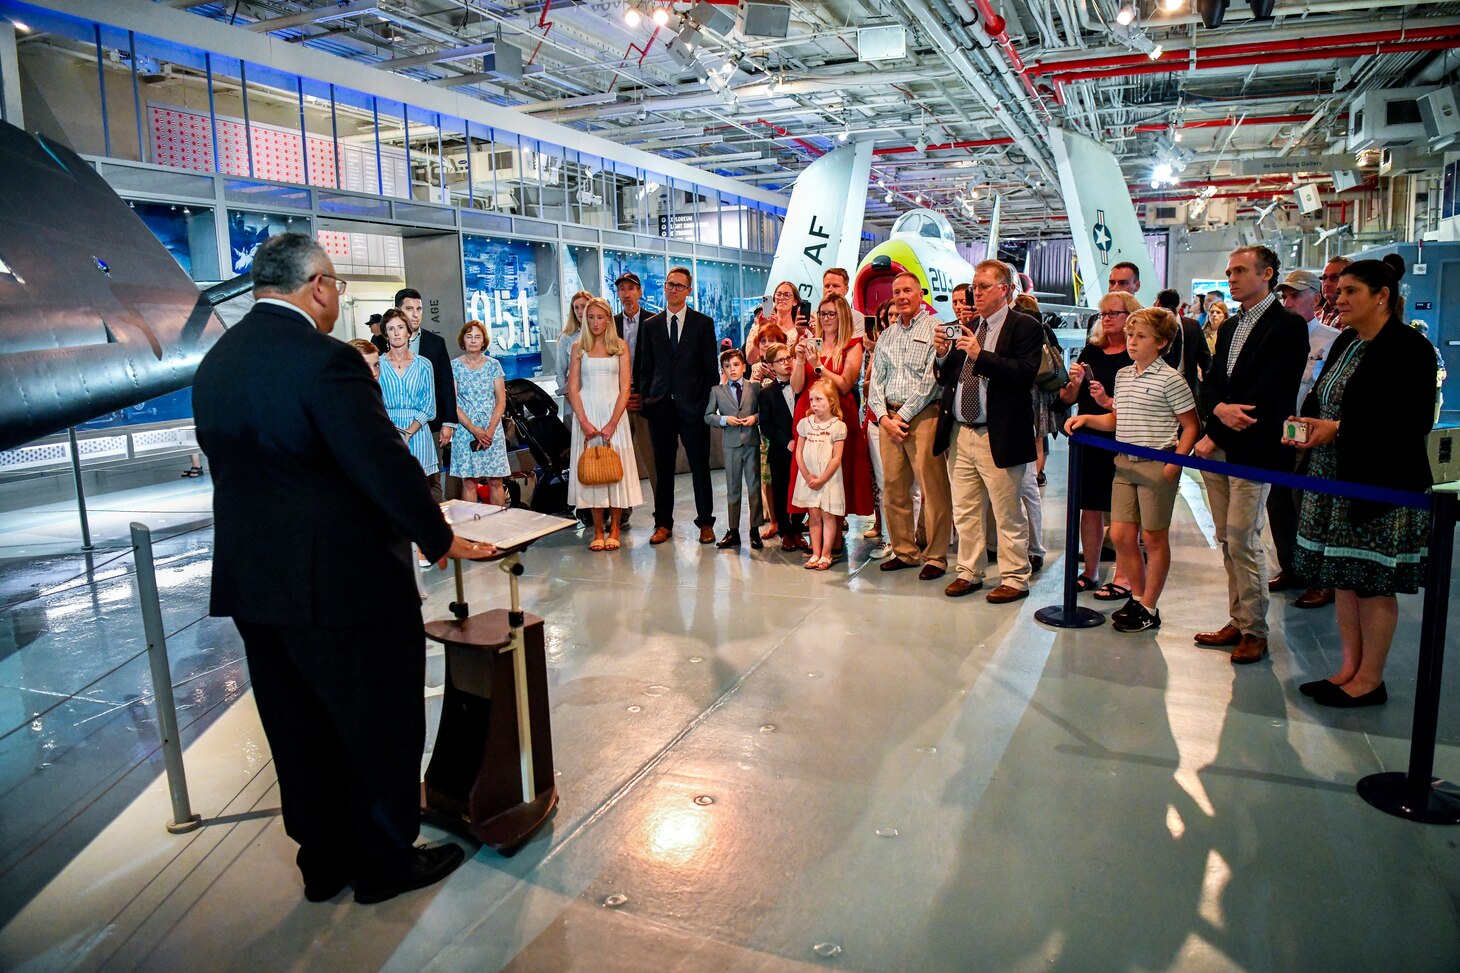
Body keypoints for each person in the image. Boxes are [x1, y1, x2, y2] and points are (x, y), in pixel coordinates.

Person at [193, 233, 495, 905]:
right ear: (319, 285)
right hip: (342, 585)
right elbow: (379, 461)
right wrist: (438, 535)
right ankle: (384, 859)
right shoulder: (326, 362)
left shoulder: (217, 361)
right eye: (335, 287)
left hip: (255, 586)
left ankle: (322, 860)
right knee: (375, 719)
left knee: (295, 727)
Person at [1287, 255, 1435, 707]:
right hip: (1333, 476)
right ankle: (1348, 668)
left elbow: (1411, 423)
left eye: (1350, 291)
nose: (1338, 297)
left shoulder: (1409, 348)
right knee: (1345, 578)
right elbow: (1322, 392)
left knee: (1372, 583)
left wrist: (1338, 431)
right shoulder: (1349, 340)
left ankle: (1370, 679)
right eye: (1338, 288)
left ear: (1382, 296)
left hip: (1378, 484)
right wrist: (1306, 421)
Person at [1193, 245, 1310, 664]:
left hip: (1254, 448)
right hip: (1222, 443)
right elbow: (1212, 382)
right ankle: (1239, 619)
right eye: (1229, 271)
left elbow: (1272, 390)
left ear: (1268, 274)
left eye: (1240, 270)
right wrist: (1218, 412)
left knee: (1244, 538)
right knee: (1227, 539)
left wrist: (1218, 424)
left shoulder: (1289, 326)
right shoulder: (1229, 327)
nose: (1231, 278)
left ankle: (1256, 631)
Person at [1066, 308, 1200, 633]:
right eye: (1130, 336)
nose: (1132, 342)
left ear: (1162, 342)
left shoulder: (1171, 379)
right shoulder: (1124, 375)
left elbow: (1191, 426)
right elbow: (1117, 419)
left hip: (1157, 464)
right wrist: (1087, 419)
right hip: (1124, 464)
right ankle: (1139, 599)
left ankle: (1150, 603)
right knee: (1121, 534)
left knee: (1154, 537)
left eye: (1141, 337)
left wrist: (1174, 464)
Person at [932, 260, 1044, 602]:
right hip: (961, 431)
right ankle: (969, 570)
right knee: (965, 509)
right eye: (973, 287)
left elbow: (1024, 374)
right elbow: (948, 378)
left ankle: (1014, 576)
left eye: (983, 287)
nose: (974, 293)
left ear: (1005, 290)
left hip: (999, 432)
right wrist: (941, 356)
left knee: (1007, 511)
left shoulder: (1024, 326)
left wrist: (981, 356)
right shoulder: (968, 326)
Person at [867, 272, 952, 580]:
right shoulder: (887, 335)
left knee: (933, 488)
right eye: (897, 292)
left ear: (920, 294)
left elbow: (932, 380)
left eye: (907, 291)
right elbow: (875, 380)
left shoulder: (935, 330)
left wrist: (902, 415)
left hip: (923, 416)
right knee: (894, 488)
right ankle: (904, 550)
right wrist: (884, 417)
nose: (901, 296)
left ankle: (937, 555)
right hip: (889, 421)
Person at [1268, 269, 1342, 608]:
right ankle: (1291, 567)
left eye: (1295, 295)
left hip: (1314, 434)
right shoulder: (1278, 335)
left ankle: (1320, 579)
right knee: (1279, 503)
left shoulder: (1333, 339)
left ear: (1316, 297)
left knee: (1310, 507)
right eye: (1285, 296)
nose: (1288, 302)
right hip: (1280, 431)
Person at [1058, 291, 1139, 599]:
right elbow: (1067, 399)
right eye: (1102, 314)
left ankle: (1123, 575)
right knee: (1089, 507)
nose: (1105, 319)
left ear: (1129, 315)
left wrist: (1108, 401)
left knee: (1121, 511)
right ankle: (1090, 571)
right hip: (1089, 437)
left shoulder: (1135, 354)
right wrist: (1075, 383)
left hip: (1124, 438)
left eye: (1112, 314)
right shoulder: (1092, 351)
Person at [638, 266, 719, 545]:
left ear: (689, 291)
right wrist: (647, 399)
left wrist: (707, 405)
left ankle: (706, 523)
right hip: (660, 407)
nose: (673, 289)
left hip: (693, 408)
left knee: (699, 467)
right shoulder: (650, 325)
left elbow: (711, 371)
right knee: (663, 469)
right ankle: (662, 524)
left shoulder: (703, 324)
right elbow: (644, 367)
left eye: (679, 286)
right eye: (669, 284)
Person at [789, 296, 872, 552]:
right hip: (809, 412)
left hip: (838, 414)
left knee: (836, 474)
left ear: (843, 316)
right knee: (810, 470)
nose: (826, 319)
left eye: (831, 314)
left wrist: (818, 366)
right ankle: (818, 541)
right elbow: (796, 386)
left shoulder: (852, 345)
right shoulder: (809, 344)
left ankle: (833, 541)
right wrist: (801, 360)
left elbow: (846, 383)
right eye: (822, 314)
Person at [567, 296, 643, 551]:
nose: (595, 322)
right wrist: (584, 421)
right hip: (587, 413)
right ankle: (598, 531)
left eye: (600, 317)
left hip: (614, 414)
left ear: (608, 319)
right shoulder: (578, 347)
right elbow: (573, 388)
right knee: (593, 472)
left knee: (614, 471)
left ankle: (615, 529)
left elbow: (624, 388)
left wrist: (612, 422)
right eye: (591, 317)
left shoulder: (620, 346)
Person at [395, 288, 456, 502]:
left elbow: (446, 384)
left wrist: (449, 422)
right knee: (399, 478)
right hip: (396, 424)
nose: (415, 314)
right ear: (398, 310)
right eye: (409, 308)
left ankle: (437, 528)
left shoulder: (434, 343)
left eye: (419, 309)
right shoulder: (383, 343)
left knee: (432, 478)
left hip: (431, 422)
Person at [704, 348, 764, 550]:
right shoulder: (717, 391)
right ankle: (733, 530)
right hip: (730, 445)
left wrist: (755, 418)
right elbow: (708, 415)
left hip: (751, 443)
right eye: (728, 366)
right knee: (733, 489)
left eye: (736, 365)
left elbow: (764, 412)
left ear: (744, 367)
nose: (733, 370)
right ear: (723, 370)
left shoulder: (754, 388)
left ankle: (755, 530)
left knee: (754, 487)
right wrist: (724, 419)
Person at [450, 320, 509, 506]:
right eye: (469, 336)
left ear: (483, 341)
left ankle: (498, 529)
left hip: (492, 430)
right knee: (469, 481)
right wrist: (474, 429)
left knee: (495, 480)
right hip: (466, 430)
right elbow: (453, 402)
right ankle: (473, 530)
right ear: (463, 340)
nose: (473, 340)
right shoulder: (454, 366)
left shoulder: (494, 365)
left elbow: (501, 400)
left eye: (477, 336)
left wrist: (490, 430)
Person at [792, 377, 848, 570]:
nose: (814, 404)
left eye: (819, 400)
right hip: (809, 479)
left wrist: (822, 479)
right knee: (813, 515)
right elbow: (799, 452)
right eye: (812, 400)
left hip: (828, 479)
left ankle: (826, 553)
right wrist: (807, 477)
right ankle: (815, 552)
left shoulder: (837, 426)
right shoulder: (805, 424)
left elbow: (836, 458)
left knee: (828, 515)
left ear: (831, 401)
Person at [614, 272, 657, 523]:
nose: (627, 293)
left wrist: (644, 394)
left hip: (645, 402)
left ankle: (661, 514)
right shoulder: (610, 324)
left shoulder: (654, 321)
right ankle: (622, 511)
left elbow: (659, 364)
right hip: (618, 401)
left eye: (631, 288)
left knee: (652, 459)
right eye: (622, 289)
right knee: (618, 458)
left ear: (640, 292)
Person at [758, 341, 808, 551]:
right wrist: (786, 442)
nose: (786, 363)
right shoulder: (766, 393)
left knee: (802, 489)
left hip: (805, 446)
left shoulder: (803, 386)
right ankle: (785, 531)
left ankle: (797, 529)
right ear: (771, 366)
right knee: (781, 490)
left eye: (788, 358)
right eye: (780, 360)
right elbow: (766, 425)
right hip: (781, 450)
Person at [379, 309, 438, 483]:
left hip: (418, 432)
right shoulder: (378, 364)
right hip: (388, 432)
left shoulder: (424, 364)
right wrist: (393, 433)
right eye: (391, 329)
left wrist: (408, 433)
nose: (396, 333)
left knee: (421, 491)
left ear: (409, 331)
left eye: (400, 327)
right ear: (385, 334)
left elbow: (429, 406)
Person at [1154, 287, 1211, 405]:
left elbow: (1204, 358)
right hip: (1159, 386)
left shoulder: (1192, 325)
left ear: (1158, 303)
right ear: (1179, 305)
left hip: (1187, 384)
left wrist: (1208, 387)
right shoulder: (1154, 326)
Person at [747, 280, 808, 365]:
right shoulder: (756, 328)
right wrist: (761, 330)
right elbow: (750, 360)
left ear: (795, 301)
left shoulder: (799, 332)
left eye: (787, 295)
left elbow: (795, 360)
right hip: (757, 377)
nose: (781, 298)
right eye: (778, 294)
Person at [557, 290, 592, 425]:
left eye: (583, 306)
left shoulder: (601, 335)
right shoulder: (566, 337)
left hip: (595, 397)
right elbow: (560, 373)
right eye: (576, 307)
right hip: (573, 400)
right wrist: (571, 398)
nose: (579, 311)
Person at [821, 267, 866, 336]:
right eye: (827, 286)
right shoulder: (814, 316)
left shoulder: (858, 318)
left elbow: (855, 345)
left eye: (835, 286)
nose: (830, 290)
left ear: (846, 289)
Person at [1318, 255, 1352, 329]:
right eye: (1324, 278)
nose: (1326, 284)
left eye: (1334, 277)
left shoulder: (1354, 319)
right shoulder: (1316, 317)